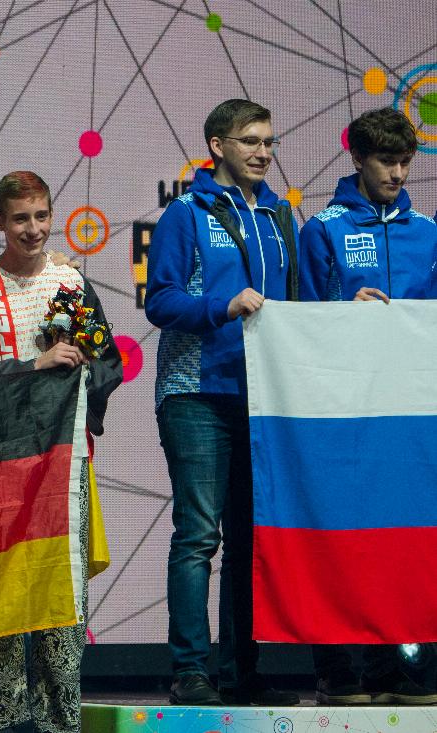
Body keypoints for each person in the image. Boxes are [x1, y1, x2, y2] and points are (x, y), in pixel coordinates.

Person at [145, 100, 301, 706]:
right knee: (197, 537)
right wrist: (223, 305)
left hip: (264, 397)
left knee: (249, 541)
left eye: (269, 141)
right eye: (250, 141)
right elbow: (160, 301)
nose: (263, 152)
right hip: (196, 393)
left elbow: (298, 304)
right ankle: (190, 671)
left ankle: (241, 672)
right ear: (217, 145)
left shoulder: (281, 217)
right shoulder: (186, 214)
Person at [0, 171, 123, 733]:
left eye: (42, 216)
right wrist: (35, 366)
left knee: (63, 596)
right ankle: (1, 721)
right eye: (20, 219)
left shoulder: (70, 283)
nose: (33, 229)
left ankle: (60, 722)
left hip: (64, 465)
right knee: (0, 595)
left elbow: (109, 363)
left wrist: (80, 371)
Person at [299, 107, 437, 705]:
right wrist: (341, 311)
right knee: (338, 538)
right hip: (339, 410)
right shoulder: (321, 229)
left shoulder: (428, 233)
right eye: (386, 161)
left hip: (407, 414)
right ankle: (338, 671)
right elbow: (297, 322)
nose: (398, 173)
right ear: (357, 158)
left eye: (405, 161)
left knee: (397, 540)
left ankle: (391, 670)